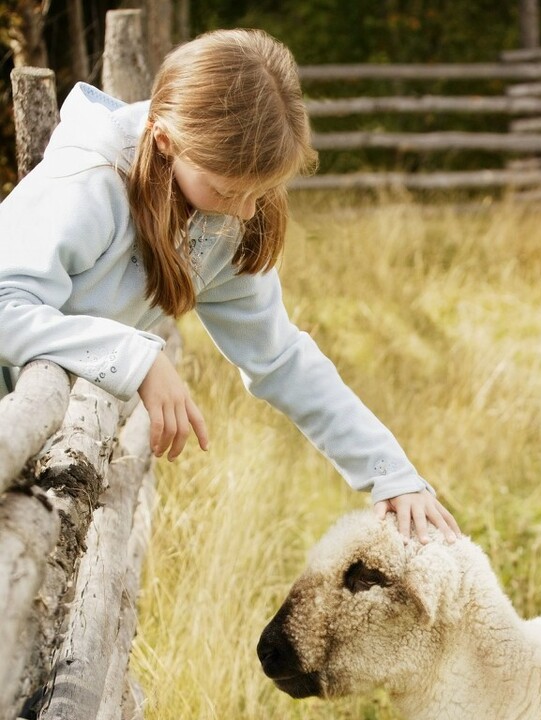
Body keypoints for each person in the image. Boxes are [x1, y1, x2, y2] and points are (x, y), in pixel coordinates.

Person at [0, 27, 459, 544]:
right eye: (227, 190)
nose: (245, 210)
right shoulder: (90, 181)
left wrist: (391, 473)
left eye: (260, 192)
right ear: (166, 141)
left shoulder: (225, 219)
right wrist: (137, 357)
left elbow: (280, 358)